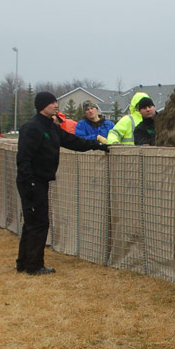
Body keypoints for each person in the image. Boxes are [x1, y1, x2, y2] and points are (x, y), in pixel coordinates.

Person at [16, 91, 109, 275]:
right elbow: (24, 159)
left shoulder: (51, 127)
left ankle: (24, 263)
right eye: (52, 103)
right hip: (32, 182)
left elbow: (72, 141)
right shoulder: (32, 128)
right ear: (42, 106)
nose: (56, 106)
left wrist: (95, 145)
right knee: (38, 223)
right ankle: (34, 266)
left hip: (41, 180)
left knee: (32, 223)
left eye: (56, 102)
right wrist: (30, 184)